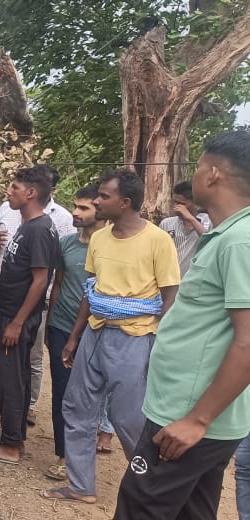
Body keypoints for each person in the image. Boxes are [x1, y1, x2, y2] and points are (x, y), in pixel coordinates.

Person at [113, 131, 250, 519]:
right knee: (193, 512)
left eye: (200, 164)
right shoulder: (227, 236)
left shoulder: (240, 241)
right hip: (194, 413)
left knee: (139, 510)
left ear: (215, 174)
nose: (196, 172)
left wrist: (197, 420)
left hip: (188, 417)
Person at [42, 169, 180, 505]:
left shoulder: (157, 240)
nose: (98, 201)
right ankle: (80, 486)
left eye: (104, 196)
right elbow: (90, 293)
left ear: (125, 202)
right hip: (95, 332)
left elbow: (169, 297)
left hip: (134, 338)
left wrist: (157, 346)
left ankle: (150, 490)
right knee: (77, 408)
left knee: (129, 418)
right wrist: (75, 337)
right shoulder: (100, 238)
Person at [0, 166, 59, 465]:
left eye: (14, 187)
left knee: (11, 380)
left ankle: (11, 447)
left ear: (31, 193)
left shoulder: (38, 230)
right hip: (10, 312)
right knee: (14, 378)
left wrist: (18, 322)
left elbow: (40, 280)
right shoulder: (29, 224)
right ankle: (13, 437)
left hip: (17, 317)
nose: (9, 191)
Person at [40, 183, 109, 481]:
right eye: (75, 206)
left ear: (100, 211)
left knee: (91, 394)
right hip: (61, 327)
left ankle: (86, 452)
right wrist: (51, 322)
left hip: (99, 331)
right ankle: (63, 454)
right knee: (62, 392)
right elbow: (57, 284)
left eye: (84, 208)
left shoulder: (110, 245)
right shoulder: (66, 243)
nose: (76, 213)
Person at [159, 180, 212, 276]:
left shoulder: (207, 221)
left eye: (181, 204)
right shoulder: (166, 224)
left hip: (196, 279)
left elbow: (209, 241)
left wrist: (191, 218)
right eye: (174, 202)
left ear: (194, 202)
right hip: (171, 279)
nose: (176, 207)